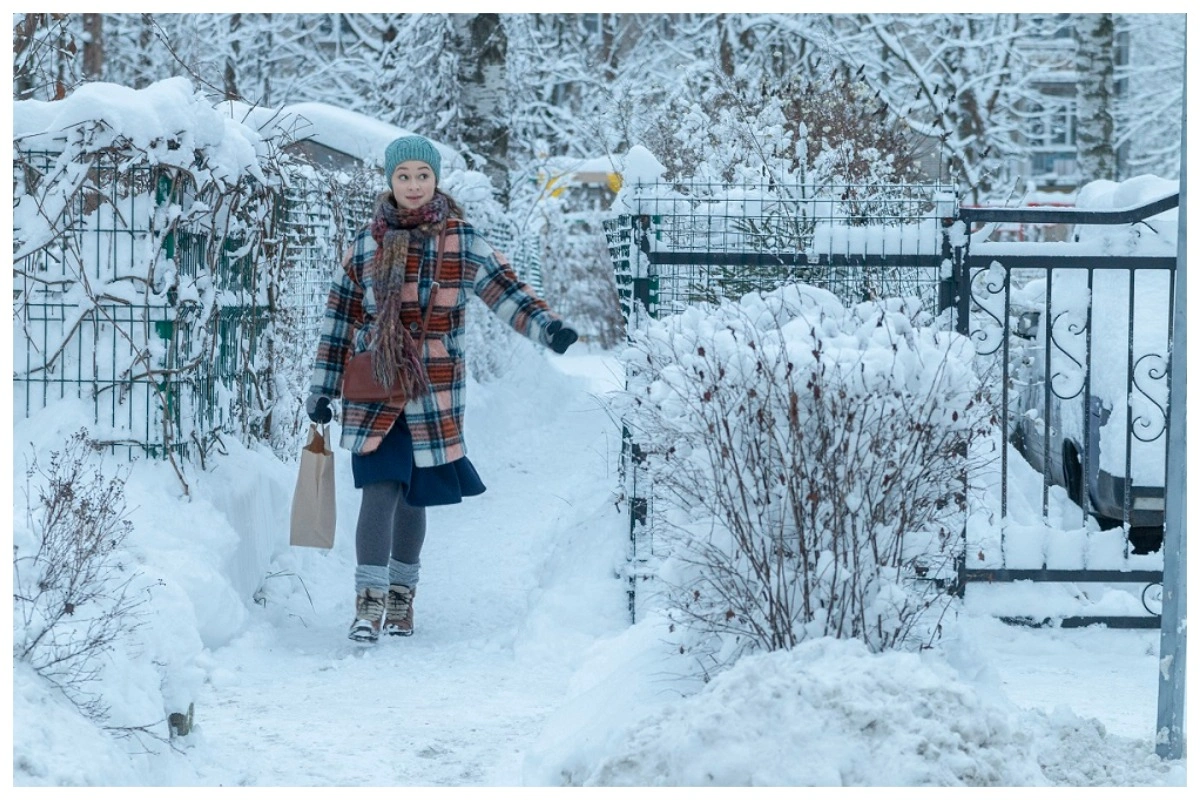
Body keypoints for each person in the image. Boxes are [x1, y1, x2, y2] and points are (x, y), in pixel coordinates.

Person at [305, 135, 577, 643]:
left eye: (422, 176)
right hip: (375, 385)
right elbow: (338, 320)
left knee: (414, 497)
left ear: (436, 181)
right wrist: (322, 389)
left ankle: (402, 600)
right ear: (390, 180)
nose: (413, 185)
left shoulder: (461, 239)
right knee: (380, 488)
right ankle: (368, 605)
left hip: (432, 388)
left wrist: (548, 327)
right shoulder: (366, 243)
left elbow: (506, 289)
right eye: (403, 175)